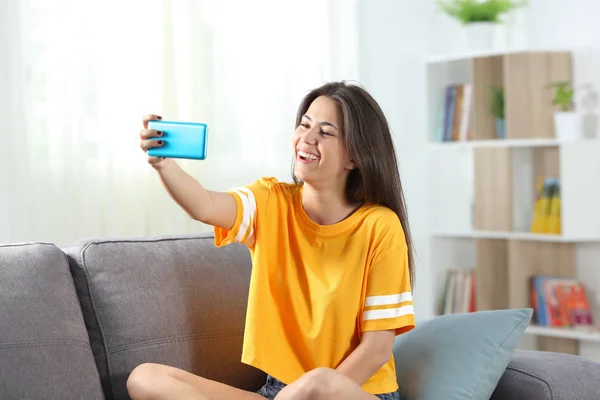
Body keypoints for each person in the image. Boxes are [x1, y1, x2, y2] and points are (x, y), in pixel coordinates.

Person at [128, 81, 416, 400]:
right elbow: (205, 205)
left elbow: (376, 349)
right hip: (280, 394)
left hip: (351, 392)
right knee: (146, 378)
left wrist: (315, 394)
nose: (306, 139)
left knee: (320, 382)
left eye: (325, 132)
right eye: (304, 125)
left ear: (354, 157)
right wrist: (164, 164)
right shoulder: (271, 202)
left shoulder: (379, 226)